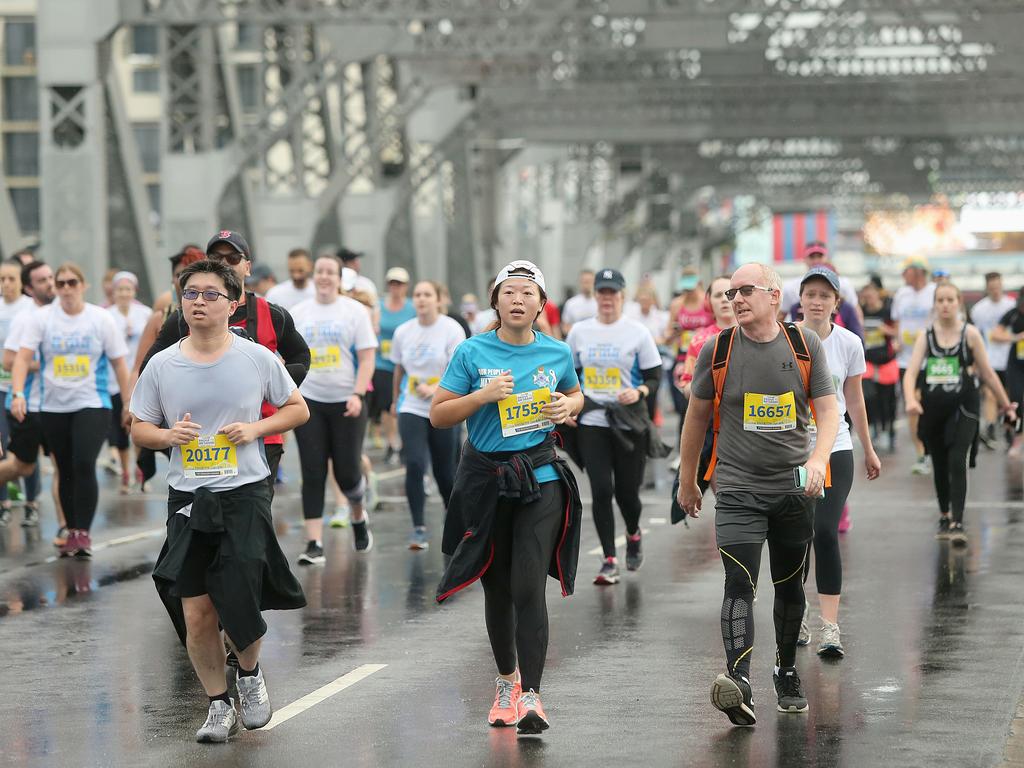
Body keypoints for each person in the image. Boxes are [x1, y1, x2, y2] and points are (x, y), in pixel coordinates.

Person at [130, 258, 309, 744]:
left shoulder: (255, 357)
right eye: (191, 294)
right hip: (189, 497)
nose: (200, 302)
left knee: (239, 595)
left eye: (211, 294)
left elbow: (298, 409)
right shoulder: (163, 364)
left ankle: (248, 674)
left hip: (244, 492)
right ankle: (216, 704)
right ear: (181, 303)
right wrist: (168, 434)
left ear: (233, 304)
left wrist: (255, 428)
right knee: (196, 610)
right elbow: (139, 426)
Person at [677, 262, 839, 726]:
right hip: (737, 488)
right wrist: (689, 481)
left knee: (789, 586)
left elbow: (827, 411)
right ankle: (739, 681)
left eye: (746, 290)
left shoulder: (803, 345)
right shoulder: (718, 349)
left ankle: (786, 669)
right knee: (738, 583)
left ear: (773, 294)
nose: (736, 299)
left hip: (792, 491)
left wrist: (817, 460)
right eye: (731, 293)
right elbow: (695, 419)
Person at [431, 260, 584, 734]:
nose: (518, 301)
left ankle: (533, 697)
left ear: (541, 304)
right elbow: (439, 416)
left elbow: (576, 397)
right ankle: (505, 683)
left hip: (541, 475)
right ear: (495, 301)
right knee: (497, 588)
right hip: (487, 478)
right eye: (508, 293)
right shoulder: (471, 351)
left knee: (527, 584)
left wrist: (568, 406)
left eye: (527, 293)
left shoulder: (557, 353)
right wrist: (482, 396)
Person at [140, 231, 310, 495]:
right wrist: (167, 430)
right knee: (199, 524)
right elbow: (150, 370)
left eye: (233, 257)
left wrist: (266, 392)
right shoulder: (185, 317)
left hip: (259, 433)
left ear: (247, 266)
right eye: (216, 257)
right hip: (198, 439)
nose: (225, 262)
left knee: (248, 514)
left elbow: (301, 358)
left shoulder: (272, 314)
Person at [10, 263, 131, 558]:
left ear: (83, 285)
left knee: (83, 463)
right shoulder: (42, 319)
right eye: (60, 283)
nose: (65, 288)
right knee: (64, 468)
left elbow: (119, 363)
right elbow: (22, 359)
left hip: (92, 402)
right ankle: (71, 527)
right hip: (52, 405)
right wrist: (17, 393)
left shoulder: (100, 319)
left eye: (71, 283)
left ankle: (82, 533)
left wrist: (129, 403)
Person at [795, 266, 881, 657]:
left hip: (836, 448)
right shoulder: (785, 338)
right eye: (810, 294)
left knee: (826, 531)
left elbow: (856, 401)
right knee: (794, 534)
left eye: (824, 295)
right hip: (793, 449)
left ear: (836, 303)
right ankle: (796, 615)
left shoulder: (848, 343)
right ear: (801, 299)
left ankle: (830, 626)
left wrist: (869, 447)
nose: (816, 301)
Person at [565, 268, 662, 584]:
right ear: (595, 296)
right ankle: (609, 558)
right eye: (602, 293)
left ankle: (633, 532)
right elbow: (569, 375)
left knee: (627, 494)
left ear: (622, 296)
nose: (607, 299)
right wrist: (570, 406)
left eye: (613, 293)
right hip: (592, 420)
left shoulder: (637, 332)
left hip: (627, 421)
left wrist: (639, 392)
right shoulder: (579, 332)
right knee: (601, 490)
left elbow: (654, 376)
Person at [904, 282, 1015, 545]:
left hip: (964, 405)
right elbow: (910, 373)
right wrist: (911, 399)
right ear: (935, 304)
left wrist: (1005, 404)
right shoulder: (926, 335)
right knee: (940, 463)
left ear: (959, 303)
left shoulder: (970, 334)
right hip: (933, 407)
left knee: (957, 458)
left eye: (950, 300)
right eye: (940, 300)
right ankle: (944, 514)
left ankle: (957, 521)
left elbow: (987, 373)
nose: (945, 305)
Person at [290, 255, 377, 563]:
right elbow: (286, 356)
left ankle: (357, 514)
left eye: (331, 272)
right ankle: (314, 543)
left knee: (347, 471)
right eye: (320, 271)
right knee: (312, 471)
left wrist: (357, 394)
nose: (324, 276)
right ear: (314, 276)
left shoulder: (354, 311)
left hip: (346, 400)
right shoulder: (299, 313)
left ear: (340, 278)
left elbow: (367, 358)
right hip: (309, 400)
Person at [390, 280, 466, 549]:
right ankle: (419, 527)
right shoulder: (403, 332)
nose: (421, 299)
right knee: (415, 464)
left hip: (444, 405)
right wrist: (394, 401)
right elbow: (399, 369)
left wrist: (435, 387)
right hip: (411, 406)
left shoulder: (451, 329)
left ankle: (452, 516)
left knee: (445, 470)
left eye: (427, 295)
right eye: (418, 295)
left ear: (439, 299)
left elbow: (459, 368)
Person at [0, 261, 63, 543]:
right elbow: (9, 360)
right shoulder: (26, 318)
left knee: (65, 466)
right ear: (30, 287)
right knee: (21, 466)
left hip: (61, 405)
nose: (51, 284)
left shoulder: (66, 315)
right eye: (44, 280)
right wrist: (42, 364)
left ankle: (68, 529)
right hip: (29, 402)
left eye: (53, 278)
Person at [105, 271, 152, 493]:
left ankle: (140, 470)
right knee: (119, 430)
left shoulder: (145, 313)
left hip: (140, 380)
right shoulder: (105, 315)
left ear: (134, 291)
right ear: (113, 292)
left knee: (138, 425)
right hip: (113, 382)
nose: (124, 294)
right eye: (120, 290)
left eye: (128, 289)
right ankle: (126, 472)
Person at [0, 260, 38, 527]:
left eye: (11, 279)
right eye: (1, 279)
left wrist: (26, 365)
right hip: (0, 388)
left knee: (26, 450)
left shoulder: (31, 310)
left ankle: (30, 503)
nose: (6, 284)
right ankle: (4, 503)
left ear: (21, 283)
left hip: (26, 389)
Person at [891, 256, 936, 475]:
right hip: (905, 361)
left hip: (931, 360)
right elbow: (897, 321)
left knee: (930, 406)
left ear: (918, 271)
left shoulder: (934, 292)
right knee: (912, 405)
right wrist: (897, 340)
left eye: (906, 271)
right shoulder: (901, 294)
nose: (903, 275)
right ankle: (921, 454)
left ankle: (934, 448)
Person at [372, 267, 416, 465]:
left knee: (403, 402)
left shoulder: (412, 307)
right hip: (383, 362)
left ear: (406, 287)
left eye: (399, 284)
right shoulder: (379, 306)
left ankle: (405, 442)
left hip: (406, 362)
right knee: (386, 405)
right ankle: (392, 443)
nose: (395, 287)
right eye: (392, 283)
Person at [971, 272, 1016, 448]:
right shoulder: (979, 309)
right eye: (992, 288)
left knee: (1009, 397)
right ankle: (990, 428)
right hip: (989, 359)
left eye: (998, 287)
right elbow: (976, 337)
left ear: (1002, 285)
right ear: (987, 288)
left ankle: (1009, 431)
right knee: (990, 395)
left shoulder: (1011, 305)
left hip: (1010, 360)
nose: (995, 291)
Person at [667, 269, 714, 428]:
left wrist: (702, 332)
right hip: (682, 357)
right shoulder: (677, 304)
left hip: (706, 355)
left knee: (705, 402)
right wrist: (675, 332)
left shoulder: (707, 301)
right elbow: (667, 334)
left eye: (690, 287)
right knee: (683, 403)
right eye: (685, 288)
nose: (688, 292)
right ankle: (684, 445)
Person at [779, 242, 863, 327]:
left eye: (820, 256)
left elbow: (856, 313)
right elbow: (781, 316)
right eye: (810, 295)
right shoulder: (790, 287)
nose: (816, 260)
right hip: (801, 336)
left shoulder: (844, 284)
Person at [990, 290, 1024, 457]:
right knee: (1014, 400)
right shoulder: (1013, 314)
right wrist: (1015, 337)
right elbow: (995, 334)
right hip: (1015, 364)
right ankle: (1012, 437)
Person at [560, 268, 596, 334]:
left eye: (589, 281)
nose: (587, 285)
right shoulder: (571, 303)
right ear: (580, 282)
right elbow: (565, 327)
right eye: (584, 281)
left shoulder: (601, 303)